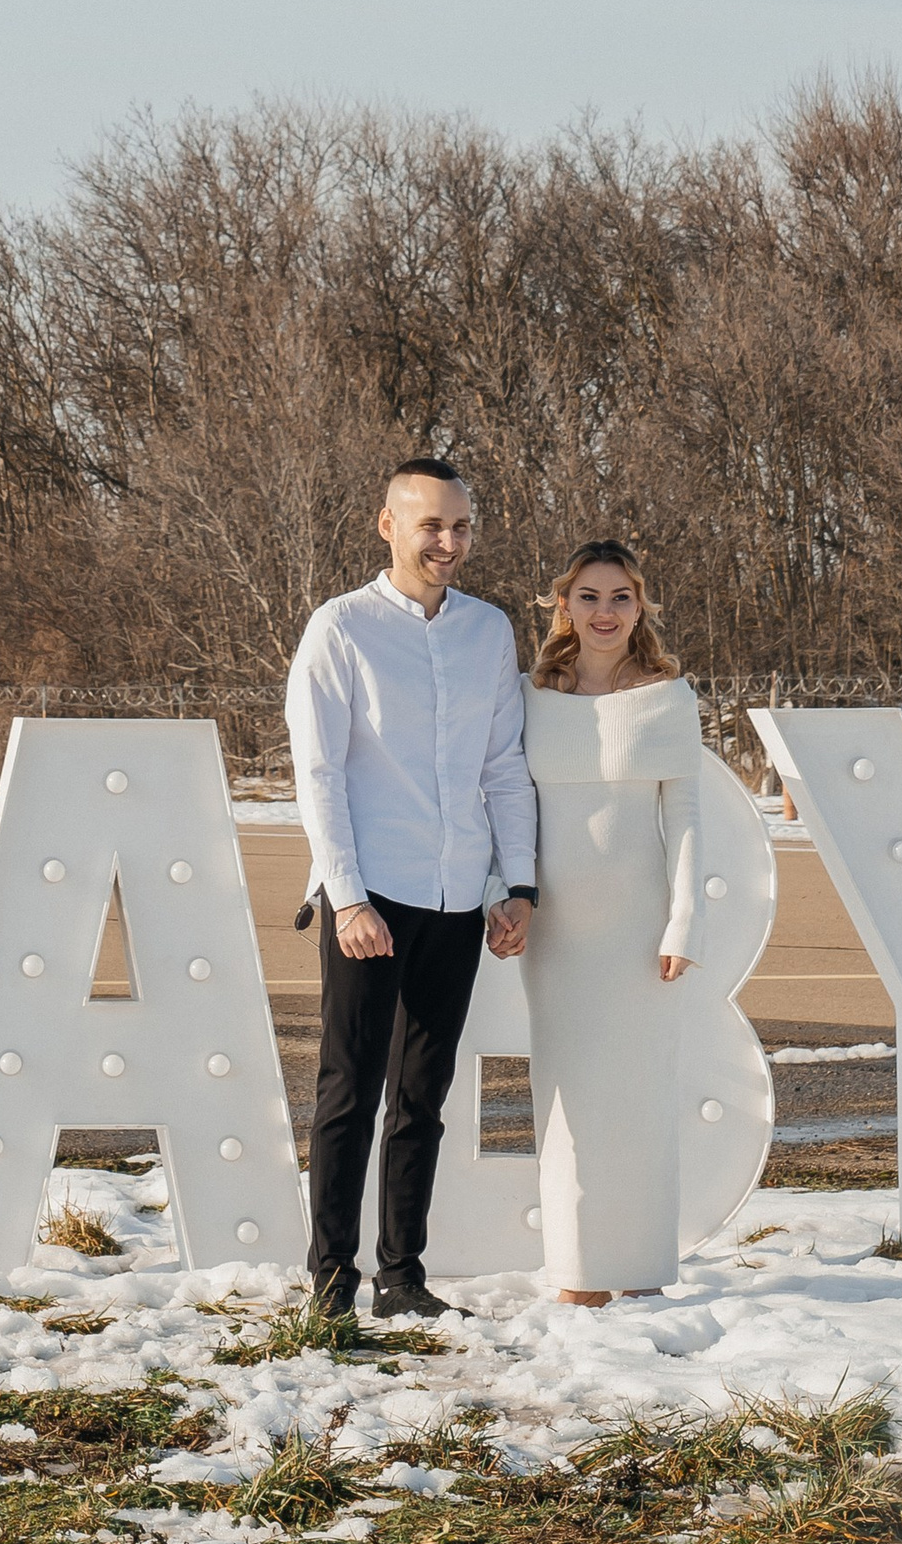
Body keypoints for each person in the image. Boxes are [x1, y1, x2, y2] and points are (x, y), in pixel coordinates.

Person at [285, 458, 538, 1319]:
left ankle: (403, 1278)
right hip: (373, 893)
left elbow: (504, 767)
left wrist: (517, 884)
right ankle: (330, 1282)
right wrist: (346, 897)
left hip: (459, 896)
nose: (450, 542)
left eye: (462, 526)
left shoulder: (488, 631)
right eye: (432, 525)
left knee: (423, 1097)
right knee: (349, 1090)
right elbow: (318, 773)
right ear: (388, 525)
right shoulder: (341, 629)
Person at [520, 539, 700, 1304]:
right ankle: (578, 1273)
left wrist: (684, 920)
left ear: (640, 605)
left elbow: (686, 817)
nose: (605, 612)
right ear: (564, 604)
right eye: (589, 596)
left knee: (639, 1100)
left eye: (620, 596)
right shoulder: (530, 694)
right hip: (555, 933)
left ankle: (640, 1269)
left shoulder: (668, 695)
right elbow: (508, 807)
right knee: (567, 1100)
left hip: (639, 934)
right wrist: (507, 893)